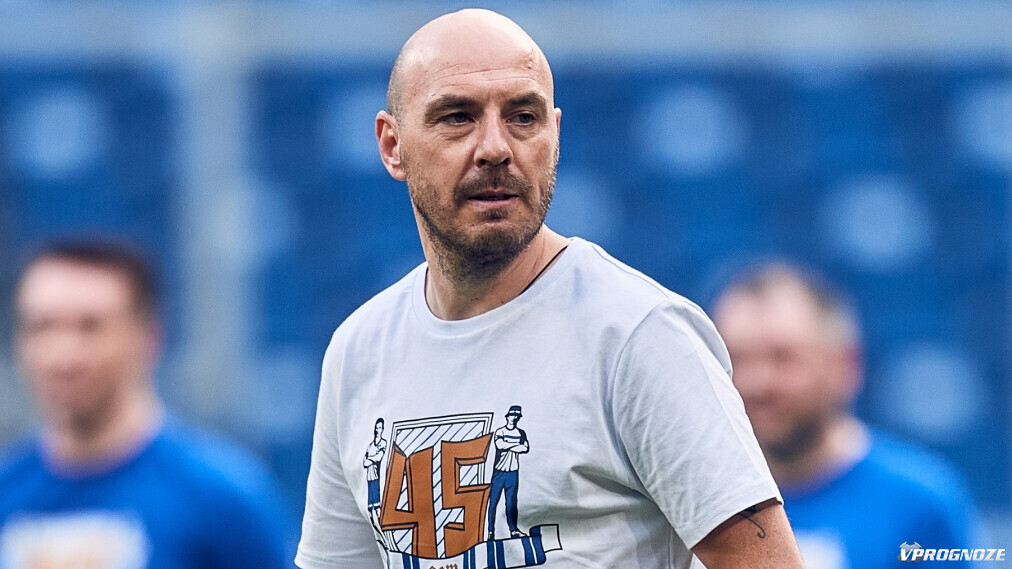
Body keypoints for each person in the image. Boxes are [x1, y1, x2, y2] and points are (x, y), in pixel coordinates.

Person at [296, 8, 805, 569]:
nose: (495, 147)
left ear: (554, 134)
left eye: (523, 117)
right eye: (458, 117)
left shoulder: (639, 336)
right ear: (393, 145)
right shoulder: (358, 352)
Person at [0, 239, 297, 569]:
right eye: (41, 327)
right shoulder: (7, 489)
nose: (64, 355)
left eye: (90, 327)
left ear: (148, 338)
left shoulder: (221, 499)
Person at [712, 262, 976, 569]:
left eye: (783, 358)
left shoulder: (919, 503)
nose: (757, 383)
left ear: (845, 364)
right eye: (736, 359)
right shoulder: (695, 498)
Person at [487, 404, 529, 541]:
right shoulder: (500, 431)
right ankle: (490, 531)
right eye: (512, 415)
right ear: (507, 416)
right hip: (499, 471)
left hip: (513, 472)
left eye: (517, 416)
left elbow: (525, 448)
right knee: (493, 502)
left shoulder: (521, 433)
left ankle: (513, 530)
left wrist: (509, 445)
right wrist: (516, 445)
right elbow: (500, 445)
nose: (514, 418)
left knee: (511, 503)